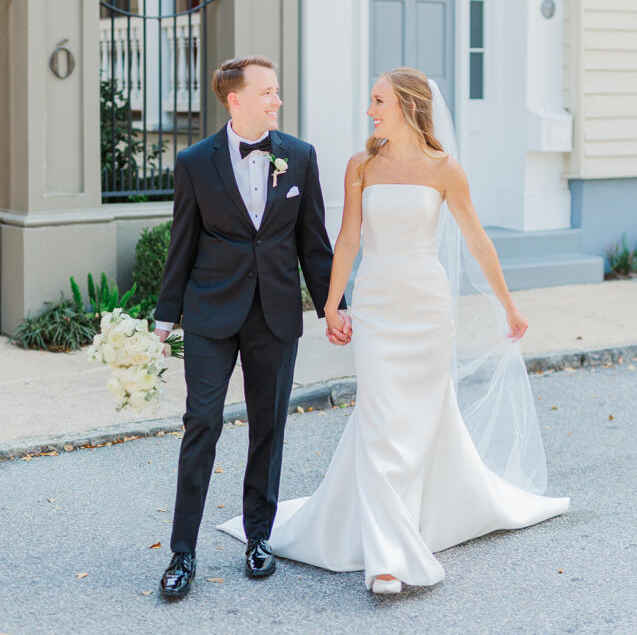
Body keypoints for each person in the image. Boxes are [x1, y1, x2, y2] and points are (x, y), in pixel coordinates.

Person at [218, 67, 569, 594]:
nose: (369, 110)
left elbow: (477, 241)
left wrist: (509, 308)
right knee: (382, 423)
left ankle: (416, 518)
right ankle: (385, 559)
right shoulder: (361, 165)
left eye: (378, 101)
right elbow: (348, 240)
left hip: (426, 308)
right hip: (378, 307)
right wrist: (331, 305)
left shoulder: (446, 169)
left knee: (420, 422)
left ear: (407, 105)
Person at [155, 55, 350, 599]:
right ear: (235, 99)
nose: (277, 100)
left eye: (277, 91)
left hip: (275, 314)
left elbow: (314, 241)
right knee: (202, 423)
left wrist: (332, 306)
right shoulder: (195, 161)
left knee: (269, 427)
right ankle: (182, 552)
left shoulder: (300, 156)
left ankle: (258, 537)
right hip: (210, 314)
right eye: (267, 92)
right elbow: (182, 242)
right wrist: (165, 318)